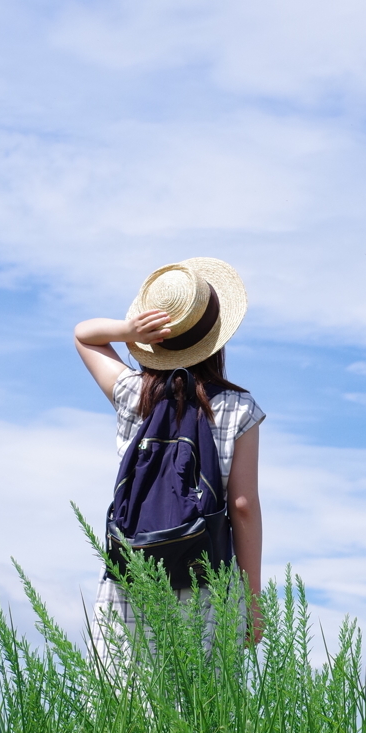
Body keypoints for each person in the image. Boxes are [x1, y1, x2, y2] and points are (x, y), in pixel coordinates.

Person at [74, 257, 265, 658]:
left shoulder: (134, 395)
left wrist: (127, 331)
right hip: (207, 582)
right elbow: (243, 506)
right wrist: (251, 601)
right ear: (216, 339)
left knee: (124, 699)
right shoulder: (238, 409)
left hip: (133, 571)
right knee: (201, 710)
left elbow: (84, 336)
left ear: (154, 342)